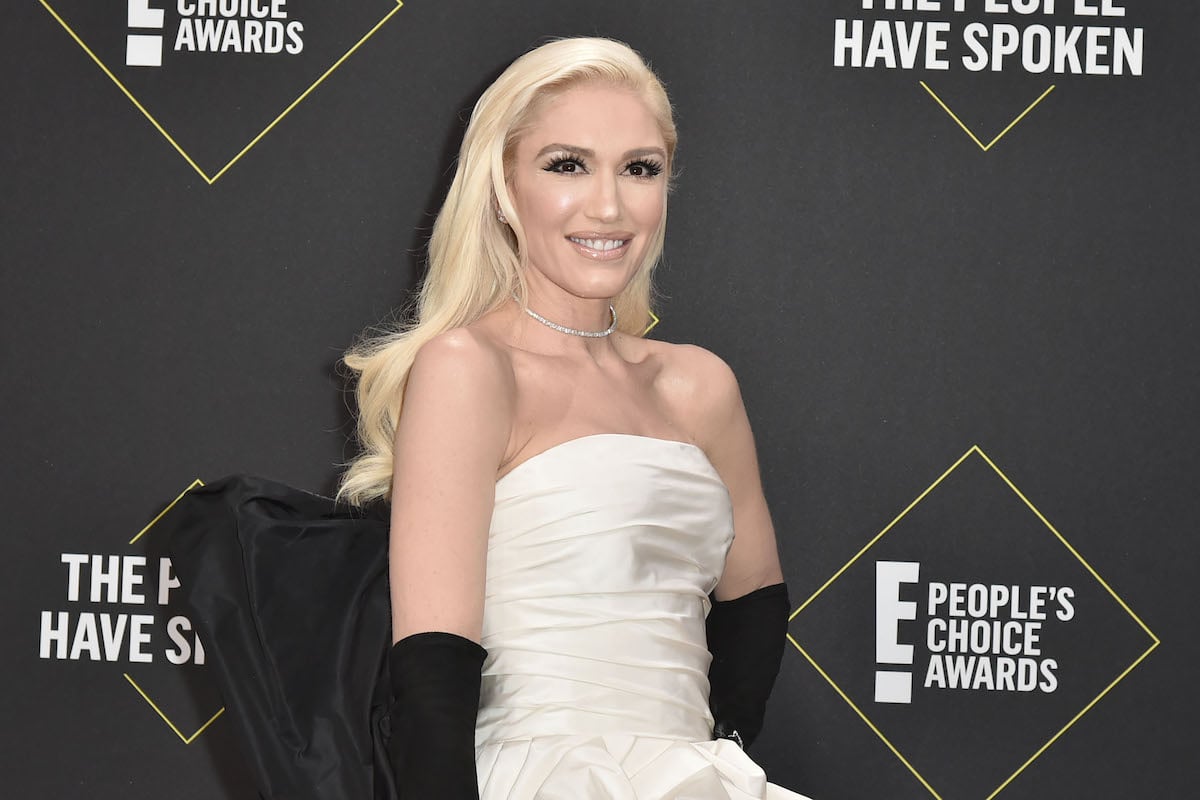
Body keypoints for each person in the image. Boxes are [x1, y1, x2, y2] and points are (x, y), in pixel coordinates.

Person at [336, 37, 810, 799]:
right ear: (502, 185)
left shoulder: (700, 385)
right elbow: (433, 662)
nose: (609, 205)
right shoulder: (468, 368)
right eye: (567, 165)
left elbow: (756, 600)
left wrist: (711, 752)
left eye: (639, 168)